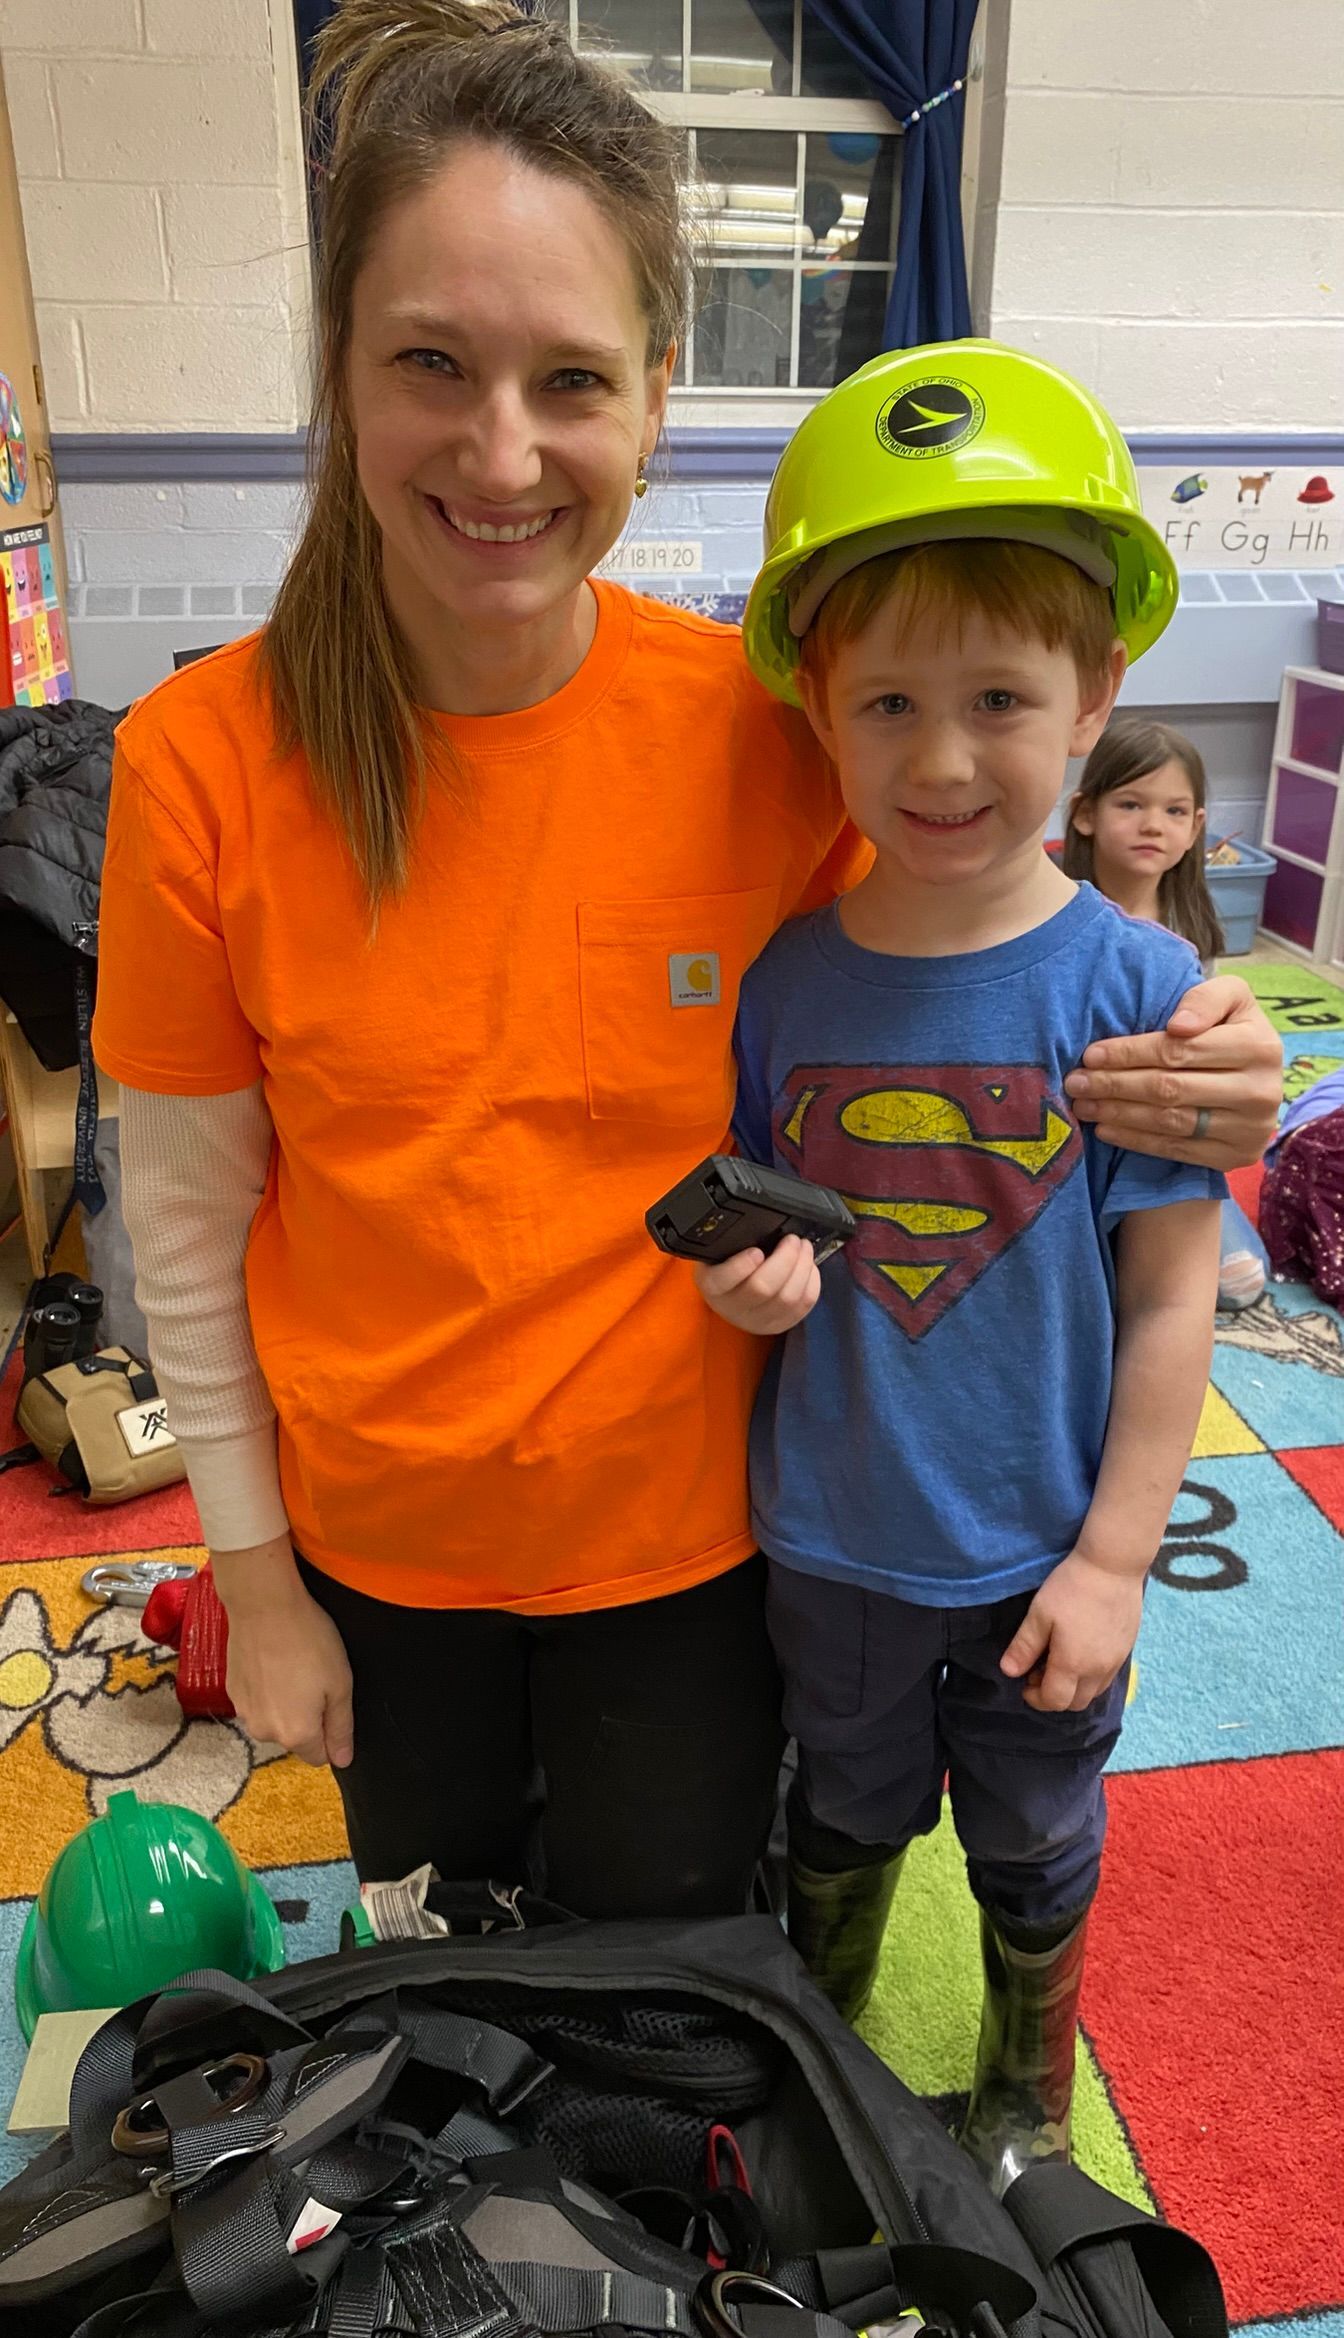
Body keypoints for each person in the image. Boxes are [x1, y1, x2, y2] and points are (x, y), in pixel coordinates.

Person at [92, 1, 1279, 1927]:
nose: (500, 450)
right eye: (428, 364)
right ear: (341, 374)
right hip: (377, 1547)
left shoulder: (763, 732)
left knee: (672, 2004)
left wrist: (1190, 1036)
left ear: (656, 392)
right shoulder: (202, 764)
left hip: (707, 1540)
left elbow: (980, 939)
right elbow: (189, 1218)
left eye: (569, 378)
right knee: (446, 1982)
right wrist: (251, 1577)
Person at [693, 342, 1224, 2195]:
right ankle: (818, 2052)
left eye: (997, 696)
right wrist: (738, 1292)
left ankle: (1020, 2085)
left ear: (1094, 702)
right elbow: (764, 1231)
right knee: (833, 1811)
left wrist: (1109, 1557)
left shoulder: (1136, 990)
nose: (938, 756)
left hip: (1034, 1545)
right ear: (816, 709)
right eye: (887, 699)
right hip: (829, 1530)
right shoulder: (780, 978)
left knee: (1030, 1831)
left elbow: (1169, 1298)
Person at [1064, 719, 1271, 1309]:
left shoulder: (1191, 934)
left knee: (1241, 1279)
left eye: (1176, 811)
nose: (1153, 824)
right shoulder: (1055, 919)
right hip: (1083, 1131)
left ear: (1197, 829)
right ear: (1086, 815)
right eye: (1131, 804)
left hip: (1163, 1140)